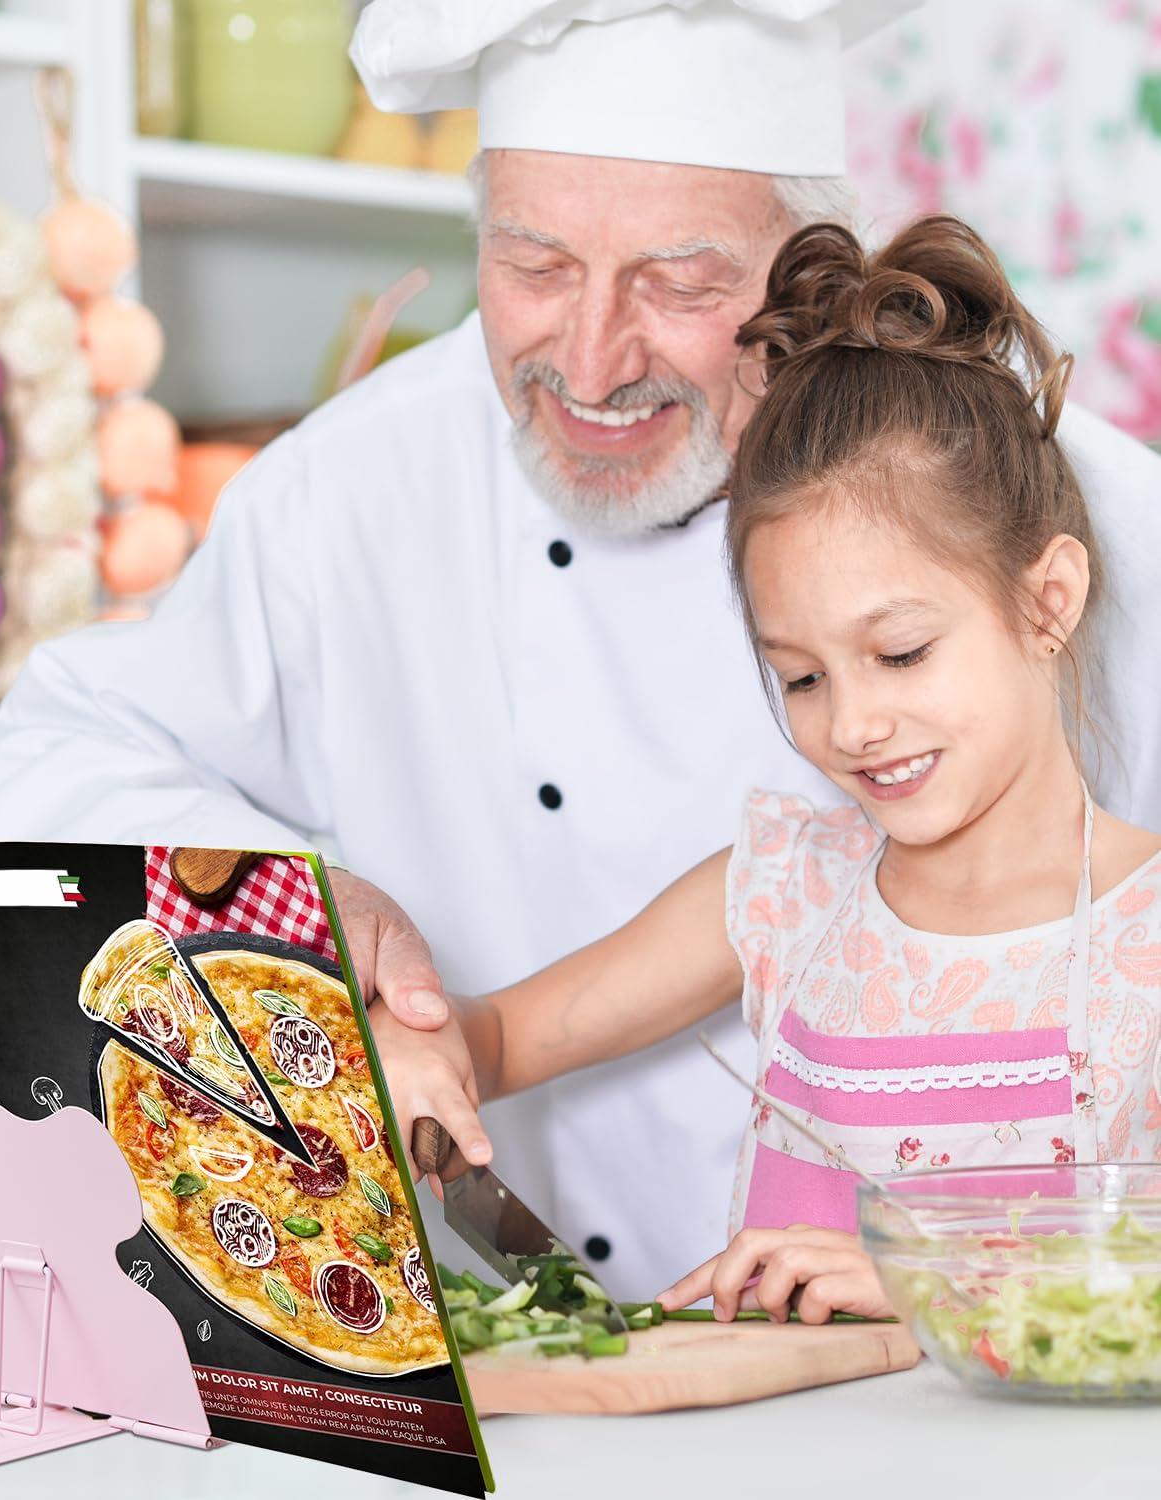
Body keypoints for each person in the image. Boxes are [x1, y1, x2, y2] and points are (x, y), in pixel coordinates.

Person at [0, 0, 1161, 1297]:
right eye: (532, 267)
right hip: (517, 1338)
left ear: (816, 263)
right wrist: (302, 910)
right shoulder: (347, 484)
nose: (589, 358)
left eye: (681, 283)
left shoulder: (1067, 500)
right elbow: (56, 750)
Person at [372, 212, 1161, 1321]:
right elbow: (495, 1038)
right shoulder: (785, 891)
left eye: (900, 653)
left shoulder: (1145, 933)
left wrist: (929, 1279)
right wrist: (409, 1048)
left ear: (1049, 601)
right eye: (801, 677)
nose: (855, 724)